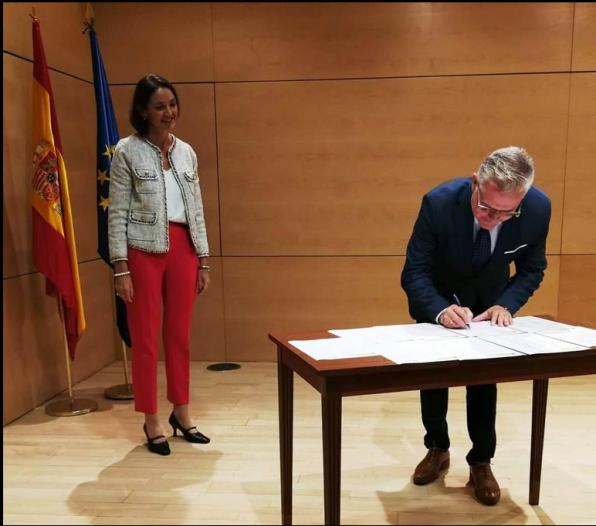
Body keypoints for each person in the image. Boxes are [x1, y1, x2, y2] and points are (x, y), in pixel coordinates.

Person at [400, 146, 551, 505]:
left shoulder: (537, 208)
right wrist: (439, 310)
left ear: (523, 198)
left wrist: (506, 303)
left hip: (490, 301)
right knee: (432, 379)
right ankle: (437, 448)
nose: (493, 218)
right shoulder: (438, 203)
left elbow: (532, 268)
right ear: (475, 183)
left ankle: (481, 460)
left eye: (506, 212)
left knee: (484, 384)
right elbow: (414, 271)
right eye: (486, 207)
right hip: (439, 297)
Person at [108, 73, 211, 456]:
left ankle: (181, 413)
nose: (169, 112)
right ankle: (151, 419)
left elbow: (196, 208)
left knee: (179, 336)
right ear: (143, 111)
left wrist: (204, 259)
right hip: (142, 251)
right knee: (147, 339)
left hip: (183, 247)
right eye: (159, 106)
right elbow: (116, 212)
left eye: (172, 104)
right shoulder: (126, 151)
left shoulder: (187, 152)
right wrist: (120, 267)